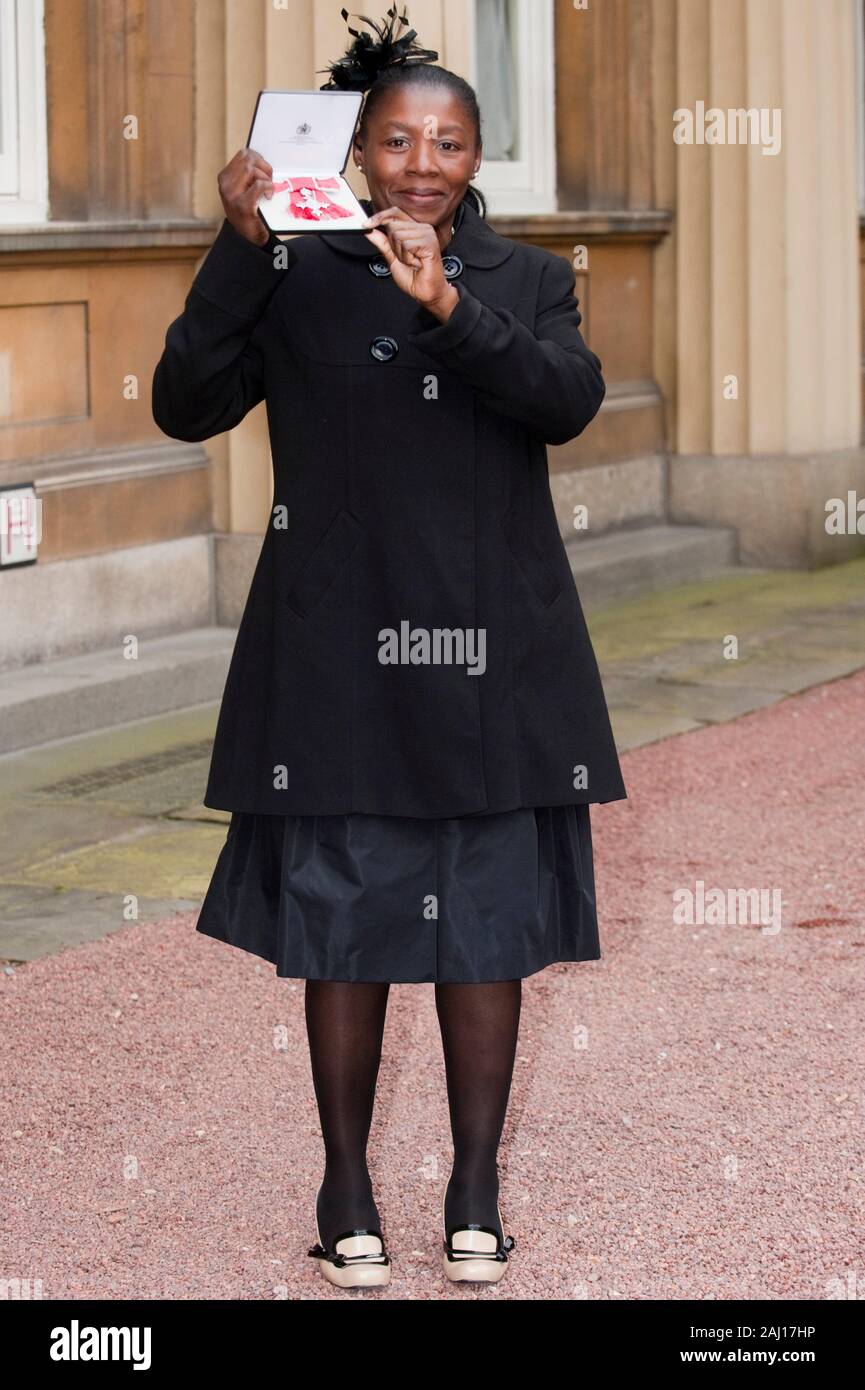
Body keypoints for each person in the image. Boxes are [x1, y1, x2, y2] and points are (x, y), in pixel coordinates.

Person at [152, 4, 627, 1290]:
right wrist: (237, 249)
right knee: (347, 928)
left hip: (493, 656)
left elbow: (564, 401)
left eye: (451, 141)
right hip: (338, 657)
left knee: (482, 930)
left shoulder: (524, 277)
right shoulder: (291, 268)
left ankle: (474, 1185)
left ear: (479, 158)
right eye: (399, 140)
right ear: (358, 150)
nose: (424, 163)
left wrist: (449, 307)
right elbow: (184, 402)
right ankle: (346, 1184)